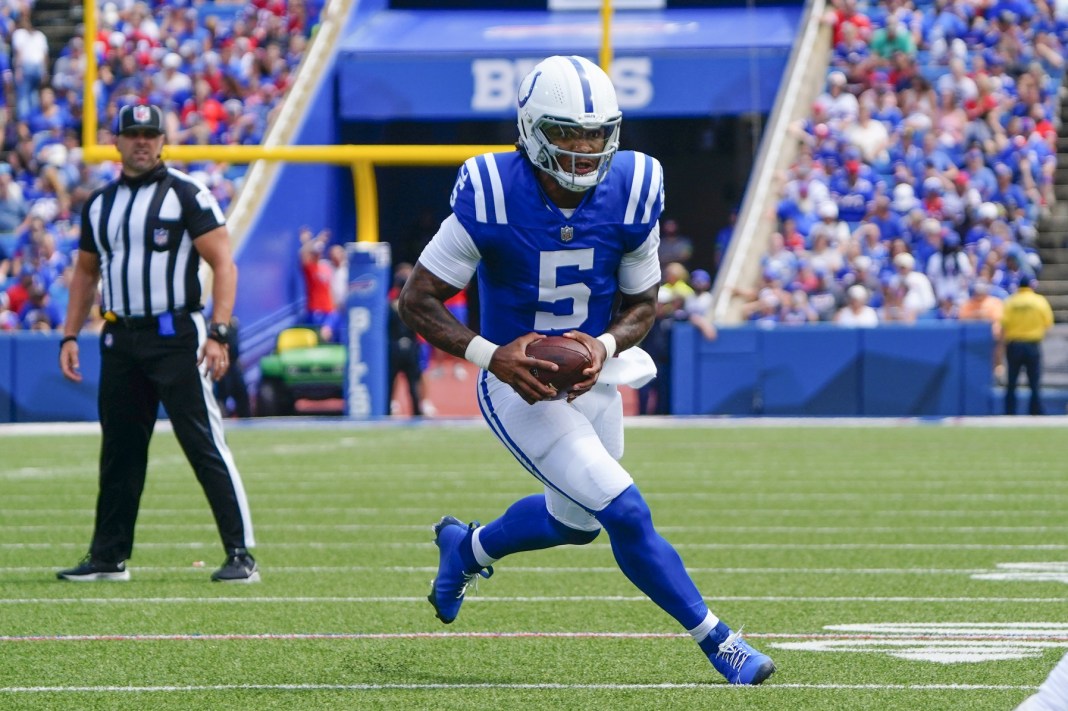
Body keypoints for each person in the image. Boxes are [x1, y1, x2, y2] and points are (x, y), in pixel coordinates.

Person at [398, 55, 774, 686]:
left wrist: (602, 344)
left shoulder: (633, 187)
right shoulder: (491, 193)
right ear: (531, 131)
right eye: (568, 134)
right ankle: (721, 643)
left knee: (573, 524)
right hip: (518, 384)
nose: (583, 150)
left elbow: (642, 305)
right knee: (625, 512)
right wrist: (494, 356)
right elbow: (419, 299)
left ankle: (467, 547)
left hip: (593, 376)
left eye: (595, 135)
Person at [56, 104, 258, 583]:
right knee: (121, 450)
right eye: (133, 135)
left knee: (203, 444)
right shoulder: (100, 203)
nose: (142, 142)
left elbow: (224, 263)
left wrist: (219, 331)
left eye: (150, 134)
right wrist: (69, 332)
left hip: (175, 337)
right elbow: (86, 272)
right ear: (117, 142)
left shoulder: (187, 194)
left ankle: (240, 554)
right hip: (120, 337)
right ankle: (108, 557)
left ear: (163, 140)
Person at [1001, 274, 1054, 415]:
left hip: (1014, 345)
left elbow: (1003, 324)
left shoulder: (1011, 301)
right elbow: (1048, 323)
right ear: (1031, 285)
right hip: (1032, 344)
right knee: (1034, 382)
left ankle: (1009, 412)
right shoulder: (1039, 301)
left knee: (1011, 381)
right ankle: (1035, 412)